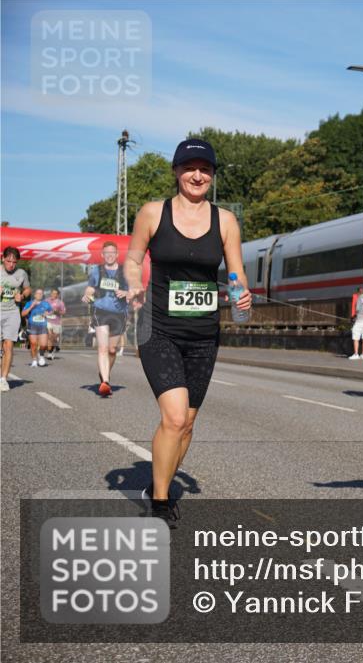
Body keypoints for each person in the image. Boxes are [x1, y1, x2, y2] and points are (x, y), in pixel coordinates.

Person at [125, 138, 252, 528]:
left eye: (205, 169)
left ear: (212, 175)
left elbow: (235, 272)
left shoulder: (226, 221)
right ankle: (160, 501)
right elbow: (132, 258)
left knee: (188, 423)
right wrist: (134, 282)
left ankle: (156, 483)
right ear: (176, 172)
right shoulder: (152, 213)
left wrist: (240, 295)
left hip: (203, 335)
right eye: (189, 167)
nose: (197, 175)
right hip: (157, 328)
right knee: (175, 417)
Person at [82, 241, 129, 397]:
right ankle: (106, 382)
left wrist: (126, 293)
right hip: (100, 310)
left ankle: (104, 372)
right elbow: (90, 287)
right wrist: (87, 294)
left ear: (117, 255)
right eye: (106, 253)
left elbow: (135, 290)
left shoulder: (125, 271)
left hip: (119, 313)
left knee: (112, 350)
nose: (109, 255)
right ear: (102, 255)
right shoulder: (97, 270)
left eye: (112, 252)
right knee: (102, 348)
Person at [1, 246, 30, 391]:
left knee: (9, 345)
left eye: (14, 262)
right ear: (3, 259)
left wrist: (22, 295)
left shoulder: (21, 273)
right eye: (8, 261)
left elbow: (27, 289)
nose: (11, 264)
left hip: (12, 312)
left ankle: (3, 379)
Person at [22, 289, 52, 367]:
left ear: (42, 295)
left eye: (41, 293)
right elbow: (23, 314)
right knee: (33, 344)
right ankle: (34, 360)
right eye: (38, 293)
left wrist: (47, 313)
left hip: (42, 326)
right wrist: (31, 306)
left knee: (44, 345)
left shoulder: (46, 304)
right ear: (34, 295)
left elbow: (51, 311)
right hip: (32, 326)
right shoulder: (29, 303)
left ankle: (41, 355)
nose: (39, 295)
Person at [45, 288, 65, 360]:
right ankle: (49, 353)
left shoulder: (60, 302)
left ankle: (54, 347)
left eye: (55, 293)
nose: (54, 295)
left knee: (54, 338)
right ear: (50, 293)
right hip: (48, 320)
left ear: (58, 295)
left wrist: (57, 312)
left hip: (56, 322)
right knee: (50, 336)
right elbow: (42, 308)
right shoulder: (46, 301)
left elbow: (63, 312)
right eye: (53, 293)